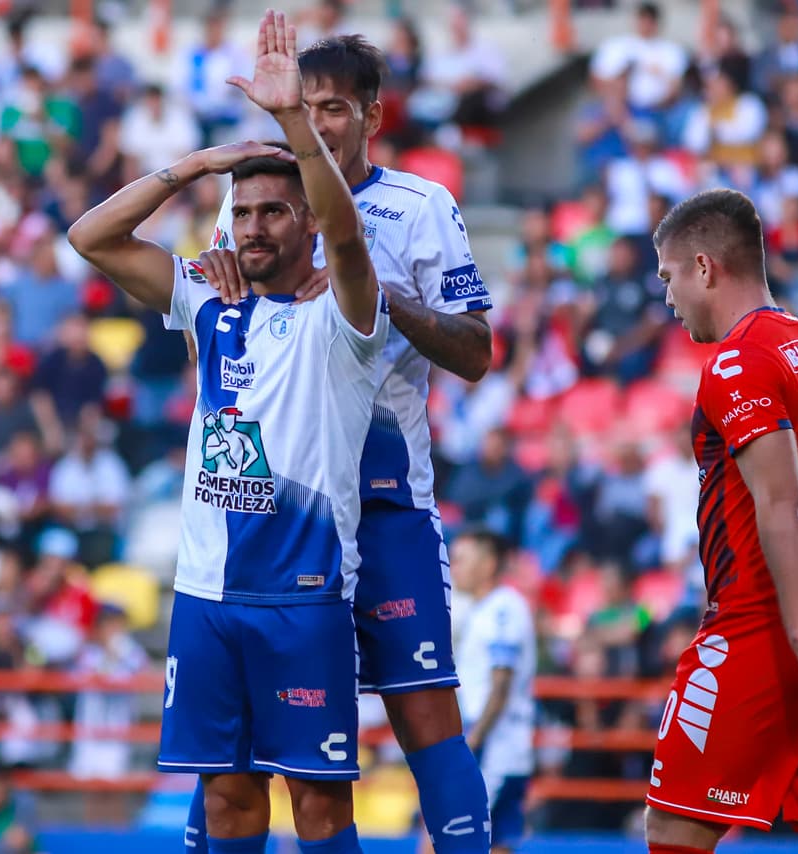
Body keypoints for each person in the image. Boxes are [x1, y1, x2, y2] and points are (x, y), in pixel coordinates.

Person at [67, 11, 388, 852]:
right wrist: (198, 166)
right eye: (242, 214)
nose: (254, 228)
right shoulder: (205, 300)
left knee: (320, 812)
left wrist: (290, 122)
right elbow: (89, 237)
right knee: (229, 808)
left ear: (308, 223)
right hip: (206, 596)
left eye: (276, 213)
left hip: (303, 598)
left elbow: (349, 242)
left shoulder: (341, 319)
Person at [193, 32, 494, 854]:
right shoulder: (253, 201)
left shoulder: (421, 205)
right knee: (232, 749)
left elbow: (476, 351)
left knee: (427, 712)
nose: (317, 123)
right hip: (278, 509)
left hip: (386, 499)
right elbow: (213, 340)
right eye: (306, 105)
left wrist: (385, 301)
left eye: (332, 107)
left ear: (371, 114)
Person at [645, 188, 798, 854]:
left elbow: (782, 502)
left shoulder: (736, 362)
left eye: (669, 276)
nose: (667, 297)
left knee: (673, 825)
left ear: (704, 268)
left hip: (769, 625)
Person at [449, 529, 536, 854]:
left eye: (461, 559)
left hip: (495, 747)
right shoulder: (476, 609)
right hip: (493, 744)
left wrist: (472, 741)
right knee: (497, 841)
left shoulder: (504, 610)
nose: (454, 566)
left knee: (445, 834)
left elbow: (500, 685)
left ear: (487, 565)